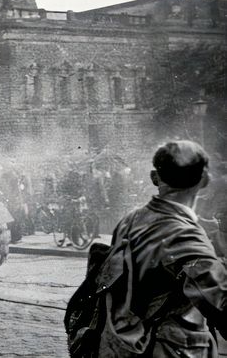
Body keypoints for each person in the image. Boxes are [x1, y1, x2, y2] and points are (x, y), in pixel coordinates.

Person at [96, 141, 226, 357]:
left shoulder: (131, 219)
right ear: (205, 180)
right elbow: (219, 300)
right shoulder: (184, 235)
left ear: (154, 177)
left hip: (125, 345)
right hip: (170, 349)